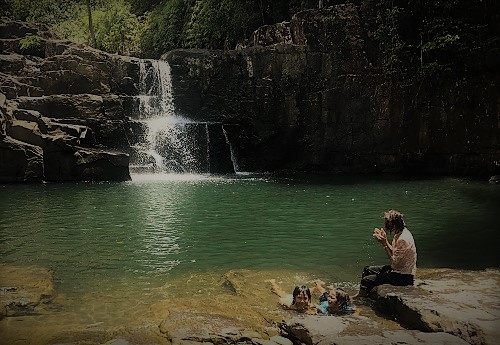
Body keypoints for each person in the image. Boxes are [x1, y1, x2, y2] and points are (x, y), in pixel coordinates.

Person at [353, 209, 417, 298]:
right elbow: (394, 252)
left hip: (403, 276)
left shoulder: (403, 239)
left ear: (393, 226)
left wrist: (384, 244)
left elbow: (394, 262)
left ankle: (359, 298)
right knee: (367, 269)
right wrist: (385, 240)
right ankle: (367, 293)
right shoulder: (400, 233)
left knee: (366, 280)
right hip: (397, 270)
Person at [268, 279, 356, 315]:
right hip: (288, 298)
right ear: (295, 298)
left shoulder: (310, 305)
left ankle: (317, 285)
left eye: (305, 299)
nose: (302, 301)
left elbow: (313, 309)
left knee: (322, 292)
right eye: (299, 298)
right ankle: (272, 282)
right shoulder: (288, 303)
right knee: (279, 292)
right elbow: (280, 301)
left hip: (303, 296)